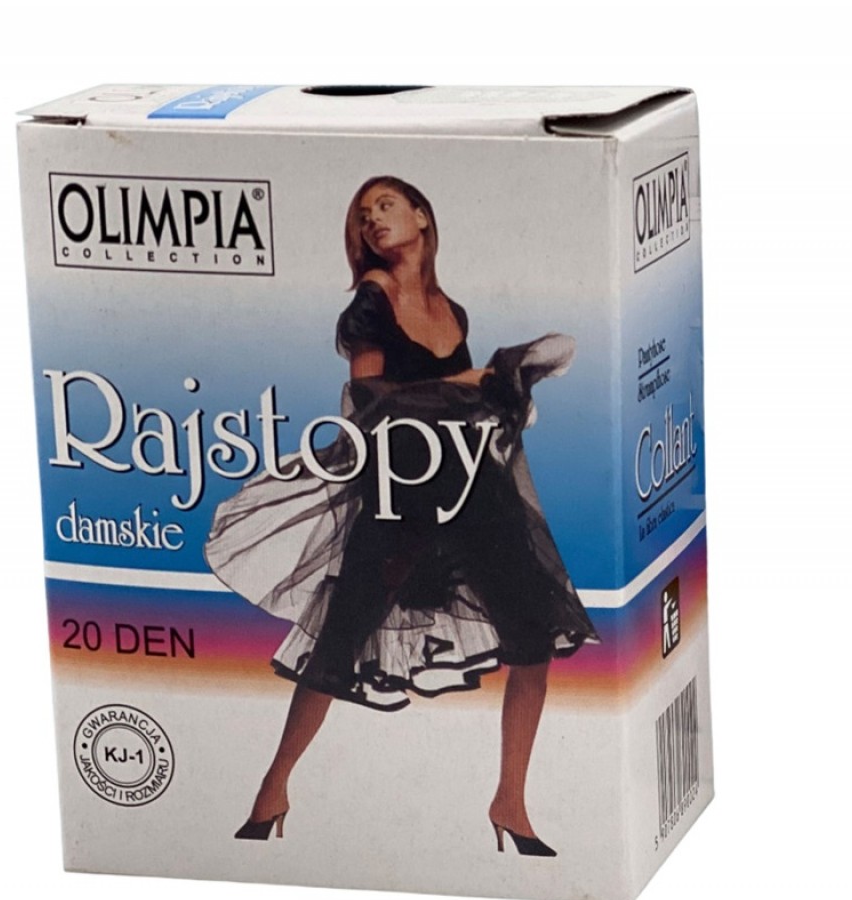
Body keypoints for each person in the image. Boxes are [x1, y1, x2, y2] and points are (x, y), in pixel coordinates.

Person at [205, 176, 598, 856]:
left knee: (534, 641)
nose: (372, 221)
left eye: (385, 206)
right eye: (363, 216)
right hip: (400, 494)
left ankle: (510, 803)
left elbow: (466, 409)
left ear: (422, 214)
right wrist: (465, 382)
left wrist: (499, 393)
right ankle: (273, 788)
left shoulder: (453, 310)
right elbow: (368, 402)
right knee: (337, 645)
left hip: (475, 490)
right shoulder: (370, 304)